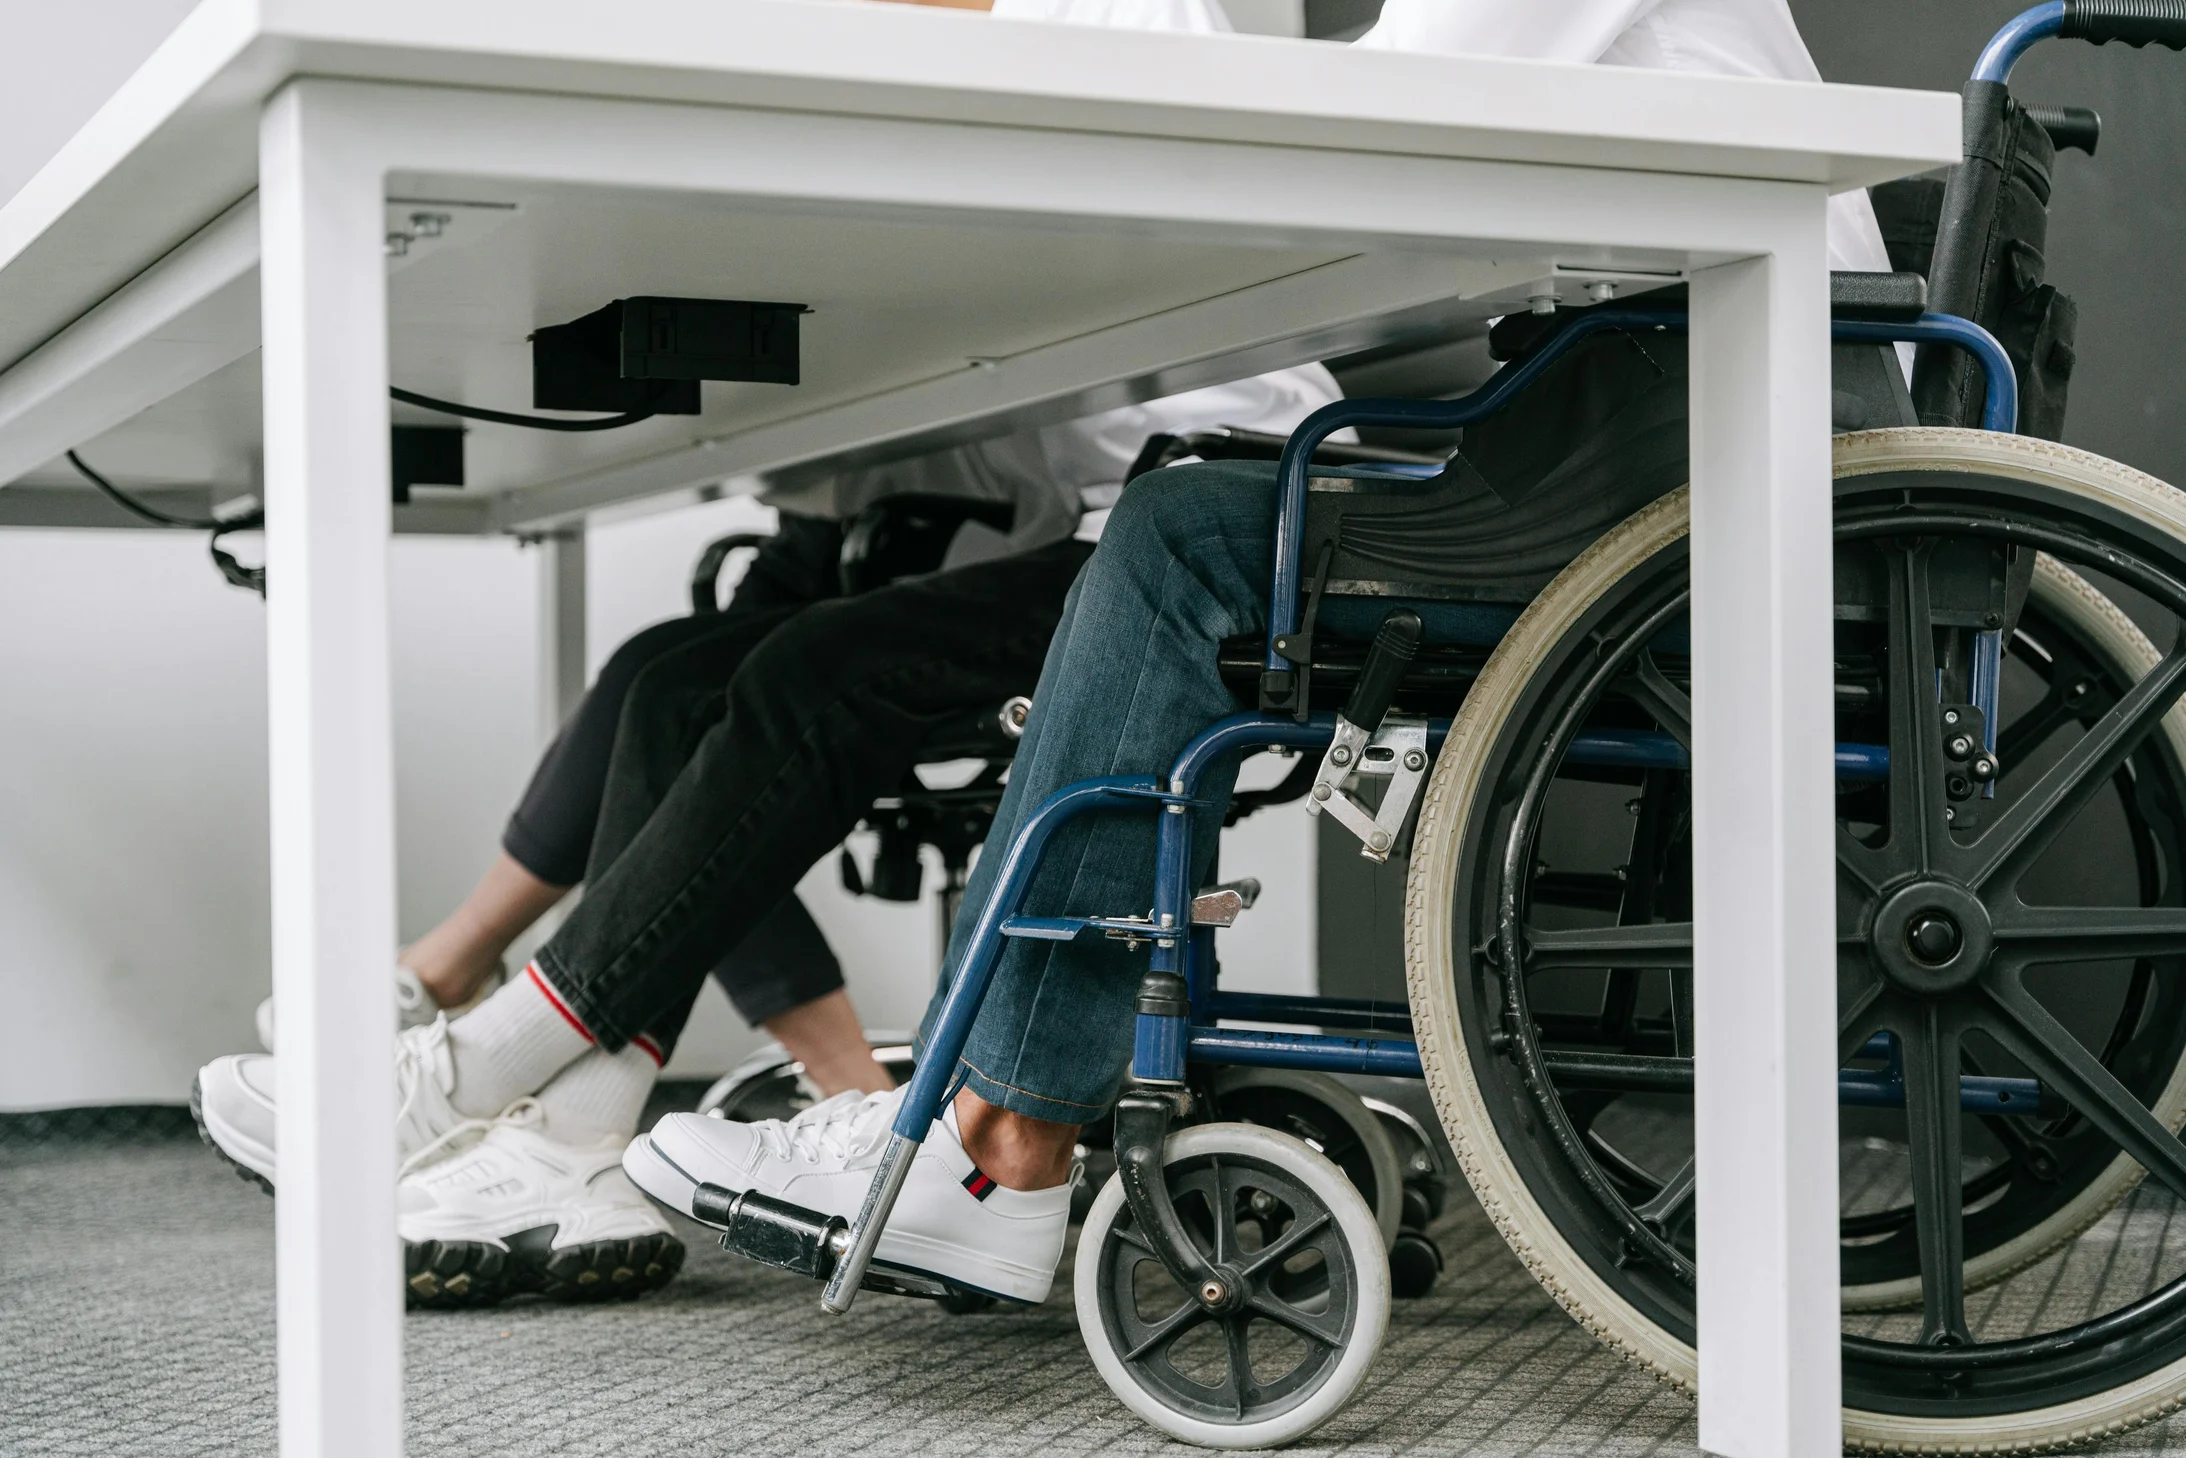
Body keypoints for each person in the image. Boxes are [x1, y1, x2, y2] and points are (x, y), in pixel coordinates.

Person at [622, 0, 1907, 1308]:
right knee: (1190, 508)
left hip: (1682, 440)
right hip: (1664, 415)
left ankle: (1003, 1139)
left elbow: (1394, 108)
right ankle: (991, 1112)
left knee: (1181, 531)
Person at [192, 0, 1327, 1313]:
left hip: (1195, 523)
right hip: (1091, 510)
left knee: (797, 675)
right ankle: (563, 1127)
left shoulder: (1107, 20)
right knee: (677, 682)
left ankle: (473, 1071)